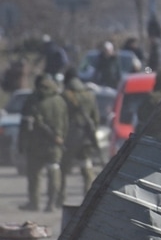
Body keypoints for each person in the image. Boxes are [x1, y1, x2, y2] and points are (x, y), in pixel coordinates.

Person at [18, 73, 68, 213]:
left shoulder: (33, 100)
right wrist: (62, 137)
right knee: (53, 172)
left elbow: (24, 124)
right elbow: (66, 122)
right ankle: (51, 203)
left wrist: (21, 144)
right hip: (55, 145)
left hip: (36, 145)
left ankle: (34, 203)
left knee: (34, 175)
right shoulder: (60, 100)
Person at [58, 69, 103, 206]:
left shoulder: (64, 96)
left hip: (69, 138)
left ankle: (60, 197)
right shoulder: (89, 95)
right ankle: (88, 198)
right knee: (86, 167)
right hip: (86, 137)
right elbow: (95, 119)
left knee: (63, 169)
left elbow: (61, 118)